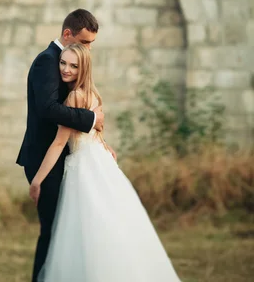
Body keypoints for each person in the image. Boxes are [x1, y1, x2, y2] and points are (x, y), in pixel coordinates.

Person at [29, 43, 183, 282]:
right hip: (100, 162)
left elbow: (59, 144)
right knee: (110, 223)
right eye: (63, 63)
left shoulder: (73, 97)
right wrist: (105, 145)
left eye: (73, 65)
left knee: (85, 229)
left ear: (84, 68)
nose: (66, 69)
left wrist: (37, 180)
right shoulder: (93, 94)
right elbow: (95, 133)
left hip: (83, 166)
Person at [17, 9, 113, 282]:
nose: (89, 49)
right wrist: (92, 119)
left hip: (65, 157)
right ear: (68, 34)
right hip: (44, 158)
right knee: (51, 231)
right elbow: (48, 109)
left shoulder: (66, 63)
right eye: (85, 42)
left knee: (65, 230)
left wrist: (99, 141)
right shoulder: (46, 62)